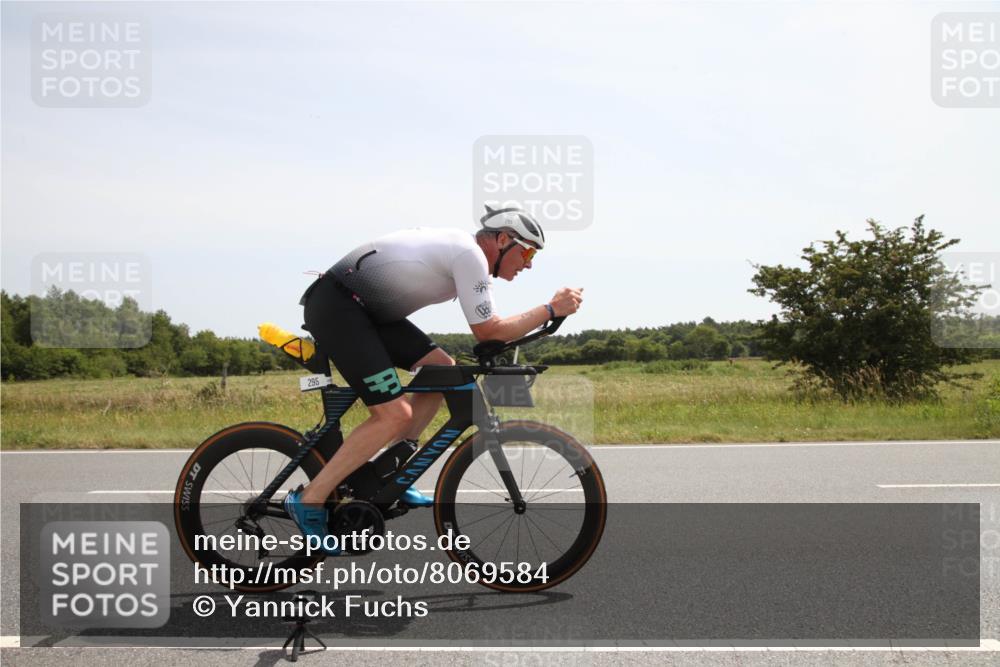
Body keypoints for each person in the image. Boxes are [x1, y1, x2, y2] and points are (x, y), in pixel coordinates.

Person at [284, 206, 583, 554]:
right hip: (340, 307)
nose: (529, 263)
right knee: (394, 414)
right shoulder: (470, 255)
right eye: (527, 251)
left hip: (365, 311)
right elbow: (490, 331)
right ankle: (309, 500)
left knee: (442, 370)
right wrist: (550, 310)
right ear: (502, 239)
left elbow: (490, 336)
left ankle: (391, 469)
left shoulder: (466, 254)